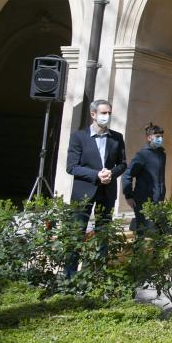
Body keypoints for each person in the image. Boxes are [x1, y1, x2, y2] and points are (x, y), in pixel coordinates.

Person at [65, 99, 127, 277]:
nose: (106, 116)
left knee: (103, 233)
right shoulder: (79, 137)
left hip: (106, 192)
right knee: (76, 232)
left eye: (109, 113)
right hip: (84, 192)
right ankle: (69, 275)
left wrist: (111, 173)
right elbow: (72, 167)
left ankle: (95, 273)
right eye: (103, 113)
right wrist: (96, 175)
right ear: (93, 114)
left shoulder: (116, 138)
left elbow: (123, 164)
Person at [121, 123, 167, 236]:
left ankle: (156, 254)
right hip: (142, 199)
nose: (160, 139)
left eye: (161, 136)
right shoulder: (142, 155)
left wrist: (161, 195)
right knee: (142, 230)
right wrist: (128, 195)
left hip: (157, 199)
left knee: (158, 231)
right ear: (149, 137)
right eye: (157, 136)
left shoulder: (161, 154)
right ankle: (138, 253)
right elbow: (127, 174)